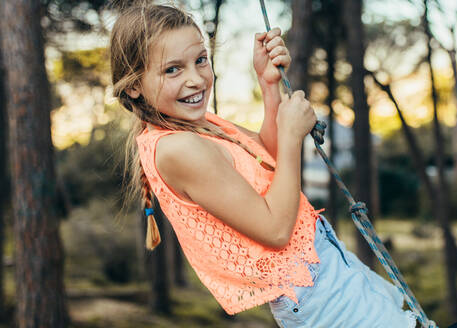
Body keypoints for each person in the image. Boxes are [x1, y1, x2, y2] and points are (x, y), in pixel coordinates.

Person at [110, 4, 416, 328]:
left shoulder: (193, 125)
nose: (196, 79)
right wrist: (291, 137)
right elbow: (275, 230)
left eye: (200, 60)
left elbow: (268, 161)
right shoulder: (177, 148)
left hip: (325, 265)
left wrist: (269, 85)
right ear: (134, 85)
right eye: (173, 69)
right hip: (319, 296)